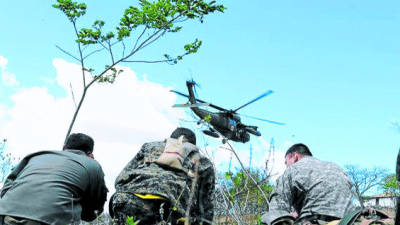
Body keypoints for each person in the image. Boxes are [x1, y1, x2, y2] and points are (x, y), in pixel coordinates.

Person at [110, 127, 215, 225]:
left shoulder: (149, 147)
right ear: (193, 145)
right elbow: (206, 211)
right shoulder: (203, 162)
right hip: (168, 210)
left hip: (127, 200)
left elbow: (120, 180)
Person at [0, 133, 108, 225]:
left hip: (5, 214)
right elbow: (94, 210)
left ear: (64, 147)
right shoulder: (93, 165)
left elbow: (7, 187)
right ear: (90, 154)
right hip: (48, 220)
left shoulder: (35, 156)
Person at [261, 143, 354, 225]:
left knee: (268, 216)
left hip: (313, 221)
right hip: (349, 220)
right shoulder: (336, 168)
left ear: (294, 156)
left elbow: (277, 208)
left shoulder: (293, 169)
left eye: (286, 162)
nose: (286, 166)